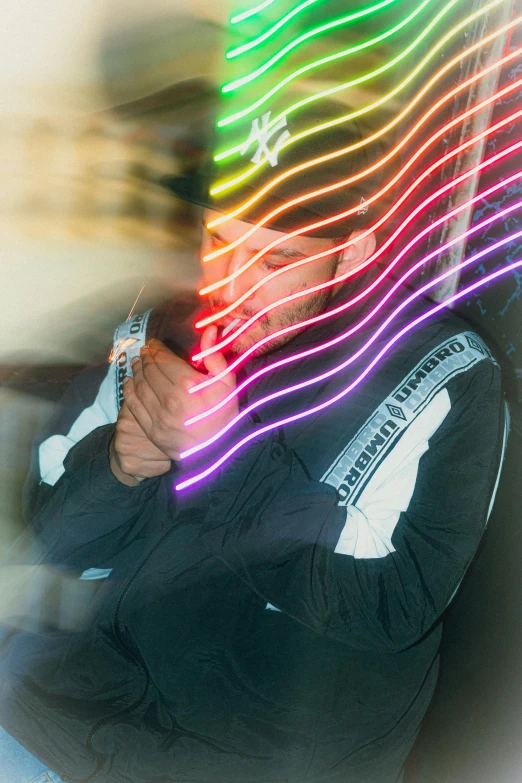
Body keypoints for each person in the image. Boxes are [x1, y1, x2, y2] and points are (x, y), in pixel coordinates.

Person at [0, 101, 508, 783]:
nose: (233, 283)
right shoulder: (160, 331)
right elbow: (54, 531)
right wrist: (120, 464)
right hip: (74, 712)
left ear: (354, 248)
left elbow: (395, 602)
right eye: (219, 240)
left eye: (277, 257)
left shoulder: (447, 377)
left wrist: (229, 455)